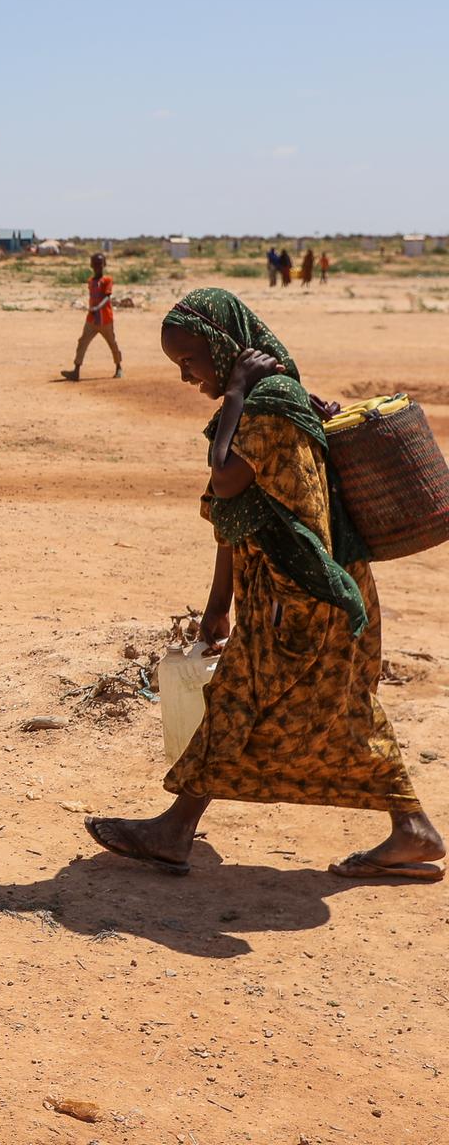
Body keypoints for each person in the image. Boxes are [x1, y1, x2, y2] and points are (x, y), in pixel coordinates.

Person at [85, 288, 444, 881]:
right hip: (304, 592)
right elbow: (243, 515)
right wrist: (217, 605)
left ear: (225, 348)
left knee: (241, 703)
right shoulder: (275, 398)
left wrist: (232, 396)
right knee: (337, 708)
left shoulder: (268, 402)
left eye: (191, 362)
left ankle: (175, 831)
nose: (186, 377)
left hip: (300, 596)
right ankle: (412, 829)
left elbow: (226, 483)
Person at [61, 252, 123, 381]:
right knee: (82, 342)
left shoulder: (107, 280)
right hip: (92, 319)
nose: (97, 266)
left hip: (105, 319)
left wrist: (97, 307)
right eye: (95, 264)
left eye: (100, 264)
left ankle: (118, 367)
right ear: (91, 265)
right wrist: (93, 309)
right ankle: (76, 370)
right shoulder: (90, 281)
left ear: (104, 265)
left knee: (112, 343)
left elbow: (107, 297)